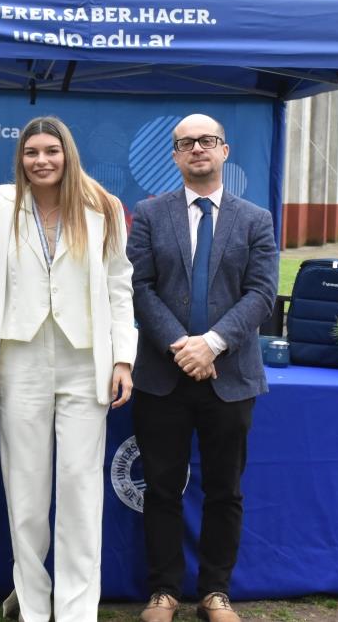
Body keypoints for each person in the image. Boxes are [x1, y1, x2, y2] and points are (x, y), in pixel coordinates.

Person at [0, 116, 137, 622]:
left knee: (81, 488)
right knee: (26, 490)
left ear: (68, 154)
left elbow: (119, 285)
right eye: (31, 152)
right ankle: (33, 606)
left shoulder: (103, 207)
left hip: (86, 361)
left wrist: (123, 358)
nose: (41, 160)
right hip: (20, 360)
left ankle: (78, 609)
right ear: (20, 158)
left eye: (51, 151)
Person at [126, 114, 278, 622]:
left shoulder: (255, 219)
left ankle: (215, 593)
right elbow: (139, 287)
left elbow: (262, 293)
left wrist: (211, 345)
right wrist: (181, 347)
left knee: (224, 490)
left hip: (230, 378)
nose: (197, 149)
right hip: (162, 377)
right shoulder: (149, 214)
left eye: (207, 141)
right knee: (161, 489)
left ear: (224, 151)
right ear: (174, 155)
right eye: (186, 143)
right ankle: (163, 592)